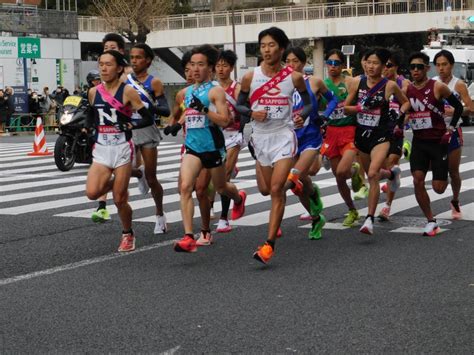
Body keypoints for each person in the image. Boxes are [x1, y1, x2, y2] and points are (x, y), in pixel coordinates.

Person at [237, 27, 313, 263]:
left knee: (277, 189)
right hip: (260, 137)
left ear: (281, 48)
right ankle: (298, 184)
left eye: (271, 45)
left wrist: (302, 115)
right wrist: (251, 113)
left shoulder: (294, 77)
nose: (267, 50)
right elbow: (239, 106)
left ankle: (268, 245)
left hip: (283, 135)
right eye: (263, 46)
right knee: (266, 189)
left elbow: (309, 104)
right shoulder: (251, 76)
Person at [173, 44, 247, 253]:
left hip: (213, 147)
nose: (195, 69)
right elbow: (185, 113)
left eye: (201, 65)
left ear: (210, 68)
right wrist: (176, 124)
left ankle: (238, 197)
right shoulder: (186, 92)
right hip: (192, 147)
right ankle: (189, 236)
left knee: (221, 187)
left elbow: (225, 121)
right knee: (187, 187)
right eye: (192, 65)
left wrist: (204, 110)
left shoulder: (216, 92)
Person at [86, 50, 155, 252]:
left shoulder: (127, 91)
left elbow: (148, 118)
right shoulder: (93, 92)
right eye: (101, 64)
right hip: (101, 149)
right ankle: (137, 173)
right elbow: (91, 114)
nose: (104, 68)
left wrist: (130, 126)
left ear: (118, 68)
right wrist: (90, 129)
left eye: (108, 64)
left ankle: (127, 233)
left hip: (122, 149)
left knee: (119, 199)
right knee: (92, 193)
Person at [344, 47, 410, 235]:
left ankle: (369, 219)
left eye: (375, 63)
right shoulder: (357, 82)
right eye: (368, 62)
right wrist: (361, 107)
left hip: (381, 135)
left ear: (383, 65)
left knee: (373, 174)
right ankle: (390, 175)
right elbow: (346, 108)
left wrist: (399, 114)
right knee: (369, 173)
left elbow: (405, 102)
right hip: (362, 134)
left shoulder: (389, 85)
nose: (371, 66)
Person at [405, 52, 463, 236]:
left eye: (419, 67)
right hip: (419, 142)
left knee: (439, 188)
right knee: (417, 180)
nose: (415, 70)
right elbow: (401, 109)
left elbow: (459, 107)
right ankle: (430, 221)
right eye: (412, 67)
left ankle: (440, 170)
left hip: (438, 143)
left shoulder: (438, 87)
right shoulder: (406, 89)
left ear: (427, 69)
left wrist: (451, 128)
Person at [283, 46, 338, 240]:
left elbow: (333, 100)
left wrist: (326, 116)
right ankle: (316, 216)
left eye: (295, 61)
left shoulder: (314, 82)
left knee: (294, 178)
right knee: (301, 185)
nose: (291, 65)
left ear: (303, 63)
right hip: (289, 139)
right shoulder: (280, 85)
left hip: (311, 137)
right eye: (288, 61)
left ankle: (313, 196)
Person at [127, 43, 170, 234]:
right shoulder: (124, 79)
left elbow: (165, 110)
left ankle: (160, 215)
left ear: (148, 61)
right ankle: (139, 174)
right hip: (128, 129)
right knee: (125, 170)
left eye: (138, 57)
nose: (134, 60)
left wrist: (147, 108)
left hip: (146, 129)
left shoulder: (154, 83)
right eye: (132, 57)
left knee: (152, 178)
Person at [320, 49, 361, 228]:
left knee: (343, 170)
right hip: (332, 132)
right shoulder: (323, 85)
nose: (332, 66)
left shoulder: (350, 83)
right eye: (330, 62)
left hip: (349, 130)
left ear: (342, 66)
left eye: (336, 63)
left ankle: (355, 171)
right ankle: (352, 209)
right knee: (339, 176)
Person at [432, 49, 473, 220]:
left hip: (453, 131)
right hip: (433, 132)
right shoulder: (431, 82)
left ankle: (455, 200)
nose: (441, 68)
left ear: (451, 65)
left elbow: (471, 109)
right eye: (438, 65)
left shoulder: (459, 84)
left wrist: (456, 111)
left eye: (444, 65)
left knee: (453, 171)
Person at [214, 49, 245, 233]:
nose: (221, 69)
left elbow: (244, 109)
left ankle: (224, 218)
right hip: (215, 136)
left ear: (231, 67)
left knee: (223, 179)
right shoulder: (211, 88)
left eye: (224, 65)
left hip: (233, 135)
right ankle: (238, 197)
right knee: (213, 180)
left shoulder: (238, 88)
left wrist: (241, 125)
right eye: (218, 65)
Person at [378, 51, 411, 221]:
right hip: (380, 130)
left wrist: (402, 123)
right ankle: (392, 176)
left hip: (396, 129)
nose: (385, 68)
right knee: (382, 166)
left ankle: (387, 206)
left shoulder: (403, 84)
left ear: (396, 67)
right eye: (384, 65)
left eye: (389, 65)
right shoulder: (379, 83)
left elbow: (409, 106)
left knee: (391, 163)